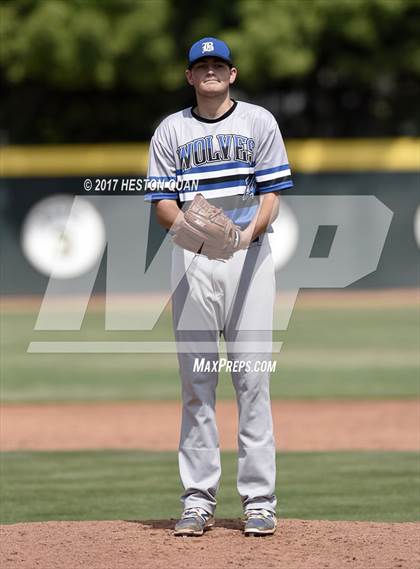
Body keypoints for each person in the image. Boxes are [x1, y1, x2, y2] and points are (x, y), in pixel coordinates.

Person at [145, 37, 293, 537]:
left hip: (250, 258)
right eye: (200, 65)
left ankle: (259, 501)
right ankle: (198, 499)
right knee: (197, 384)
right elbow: (163, 203)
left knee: (252, 380)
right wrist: (201, 241)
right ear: (189, 77)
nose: (210, 71)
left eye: (218, 64)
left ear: (232, 74)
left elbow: (272, 191)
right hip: (192, 260)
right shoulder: (170, 130)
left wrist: (247, 234)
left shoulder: (259, 122)